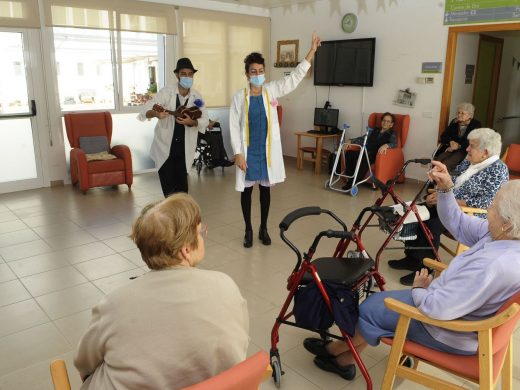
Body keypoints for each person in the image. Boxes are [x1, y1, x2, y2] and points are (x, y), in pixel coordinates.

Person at [302, 163, 520, 380]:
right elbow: (458, 222)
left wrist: (419, 289)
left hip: (446, 329)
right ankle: (343, 355)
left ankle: (338, 354)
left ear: (507, 223)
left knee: (370, 308)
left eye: (494, 206)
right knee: (381, 303)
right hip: (452, 311)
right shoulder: (503, 238)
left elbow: (436, 308)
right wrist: (445, 190)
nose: (488, 208)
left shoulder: (492, 264)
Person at [74, 193, 249, 389]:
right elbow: (239, 350)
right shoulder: (225, 286)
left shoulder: (115, 303)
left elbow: (83, 363)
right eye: (200, 232)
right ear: (186, 250)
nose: (203, 236)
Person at [229, 32, 321, 248]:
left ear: (264, 72)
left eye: (261, 71)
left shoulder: (271, 90)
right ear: (247, 74)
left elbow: (294, 79)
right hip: (248, 152)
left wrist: (311, 52)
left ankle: (263, 228)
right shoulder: (239, 97)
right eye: (253, 72)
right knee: (246, 191)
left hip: (266, 152)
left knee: (265, 191)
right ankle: (248, 230)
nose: (258, 75)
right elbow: (233, 125)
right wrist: (238, 153)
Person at [389, 127, 509, 285]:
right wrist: (439, 188)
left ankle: (424, 267)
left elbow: (486, 202)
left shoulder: (498, 170)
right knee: (416, 212)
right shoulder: (469, 161)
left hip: (471, 215)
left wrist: (446, 199)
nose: (467, 149)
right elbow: (453, 179)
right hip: (449, 202)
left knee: (432, 222)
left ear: (485, 152)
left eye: (471, 146)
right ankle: (412, 258)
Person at [138, 58, 209, 197]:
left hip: (184, 150)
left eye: (190, 74)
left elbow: (205, 119)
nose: (187, 77)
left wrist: (192, 122)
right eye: (184, 74)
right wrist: (156, 114)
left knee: (183, 192)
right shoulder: (166, 92)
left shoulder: (196, 96)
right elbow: (145, 110)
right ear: (177, 75)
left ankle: (182, 219)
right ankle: (172, 218)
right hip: (165, 150)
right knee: (169, 194)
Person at [341, 112, 397, 190]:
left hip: (375, 155)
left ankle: (352, 184)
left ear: (391, 124)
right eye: (384, 120)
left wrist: (387, 145)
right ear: (381, 122)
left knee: (364, 159)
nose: (385, 123)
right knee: (350, 153)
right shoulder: (374, 130)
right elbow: (363, 138)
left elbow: (394, 144)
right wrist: (351, 141)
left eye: (388, 121)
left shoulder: (392, 134)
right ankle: (350, 176)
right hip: (365, 151)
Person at [435, 102, 481, 172]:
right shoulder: (454, 122)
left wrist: (458, 146)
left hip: (464, 151)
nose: (459, 115)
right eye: (458, 112)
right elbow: (444, 135)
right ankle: (434, 181)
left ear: (470, 115)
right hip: (451, 148)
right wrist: (451, 142)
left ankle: (446, 181)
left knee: (446, 164)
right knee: (437, 161)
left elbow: (473, 141)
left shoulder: (476, 124)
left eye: (462, 113)